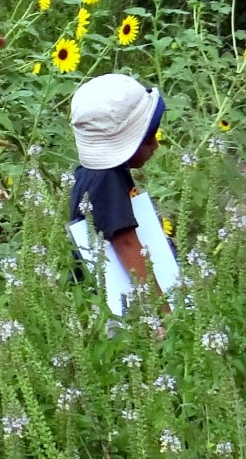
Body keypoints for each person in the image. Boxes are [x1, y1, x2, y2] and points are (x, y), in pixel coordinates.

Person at [69, 73, 169, 312]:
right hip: (108, 306)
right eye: (148, 139)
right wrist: (162, 311)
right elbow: (125, 243)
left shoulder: (91, 173)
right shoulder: (107, 179)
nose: (156, 145)